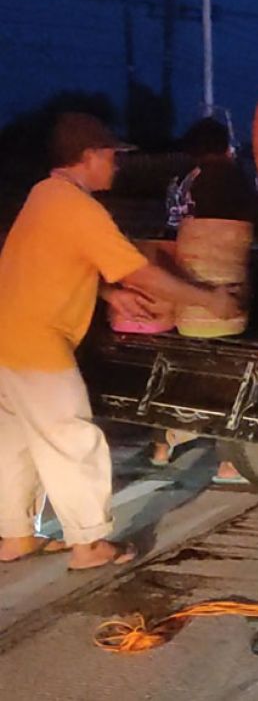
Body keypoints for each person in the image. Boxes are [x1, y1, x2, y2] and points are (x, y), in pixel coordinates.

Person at [0, 112, 240, 568]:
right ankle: (89, 545)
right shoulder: (78, 207)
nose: (116, 165)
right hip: (37, 342)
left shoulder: (43, 195)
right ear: (88, 156)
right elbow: (139, 269)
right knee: (72, 437)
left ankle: (15, 537)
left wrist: (110, 293)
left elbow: (51, 262)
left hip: (6, 336)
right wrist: (208, 300)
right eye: (111, 156)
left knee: (16, 441)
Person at [149, 117, 257, 484]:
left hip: (182, 281)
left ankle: (164, 441)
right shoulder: (227, 176)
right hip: (217, 285)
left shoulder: (182, 180)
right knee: (229, 374)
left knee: (182, 367)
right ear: (224, 146)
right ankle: (229, 461)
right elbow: (251, 221)